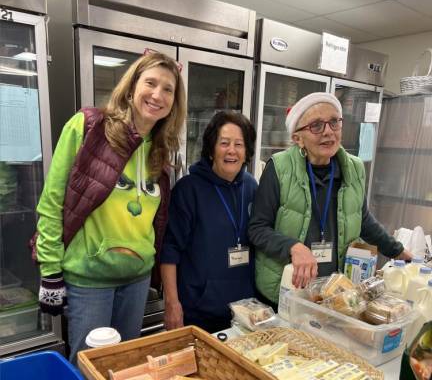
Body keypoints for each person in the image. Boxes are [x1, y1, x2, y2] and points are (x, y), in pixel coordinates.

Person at [35, 49, 186, 362]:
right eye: (151, 83)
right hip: (89, 280)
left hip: (137, 279)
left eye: (168, 89)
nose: (158, 94)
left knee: (125, 366)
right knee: (91, 367)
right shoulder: (88, 127)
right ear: (131, 88)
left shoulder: (160, 153)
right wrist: (50, 272)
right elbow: (52, 202)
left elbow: (153, 222)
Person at [249, 92, 412, 307]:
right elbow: (257, 228)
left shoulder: (354, 168)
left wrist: (398, 251)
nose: (328, 131)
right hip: (287, 289)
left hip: (335, 292)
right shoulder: (279, 168)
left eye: (334, 122)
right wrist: (293, 247)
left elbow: (363, 220)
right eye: (316, 125)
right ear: (297, 138)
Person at [160, 111, 258, 333]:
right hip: (199, 311)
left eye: (239, 144)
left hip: (245, 310)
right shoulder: (189, 189)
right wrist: (172, 303)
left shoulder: (252, 187)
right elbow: (170, 250)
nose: (232, 150)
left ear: (246, 151)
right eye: (224, 143)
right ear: (212, 149)